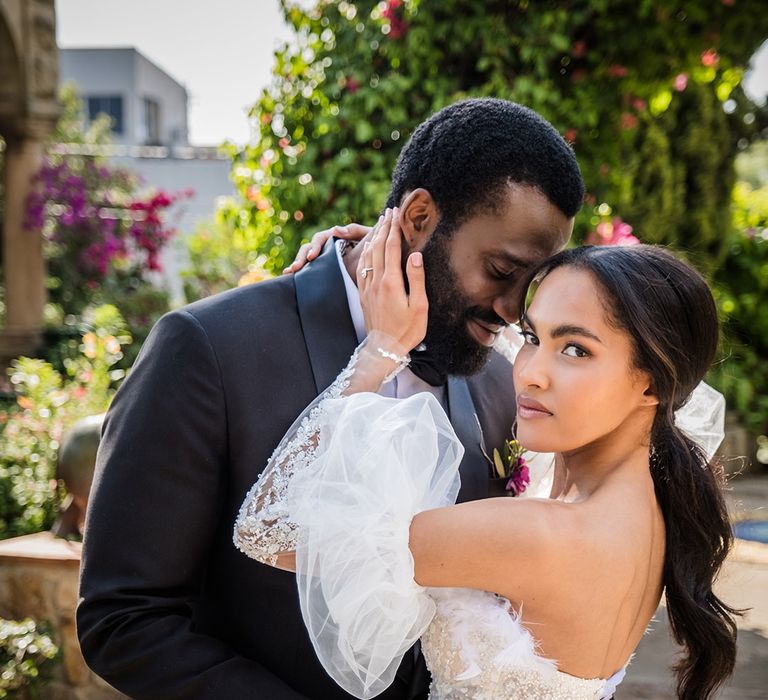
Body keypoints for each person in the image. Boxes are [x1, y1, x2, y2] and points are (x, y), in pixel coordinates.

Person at [77, 98, 585, 699]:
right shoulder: (209, 349)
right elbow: (125, 618)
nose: (509, 311)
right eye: (501, 270)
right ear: (419, 216)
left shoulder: (501, 386)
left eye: (528, 288)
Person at [235, 214, 738, 700]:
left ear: (651, 382)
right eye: (535, 338)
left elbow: (266, 529)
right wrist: (415, 259)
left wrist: (382, 347)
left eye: (576, 350)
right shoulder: (647, 510)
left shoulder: (538, 536)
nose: (530, 372)